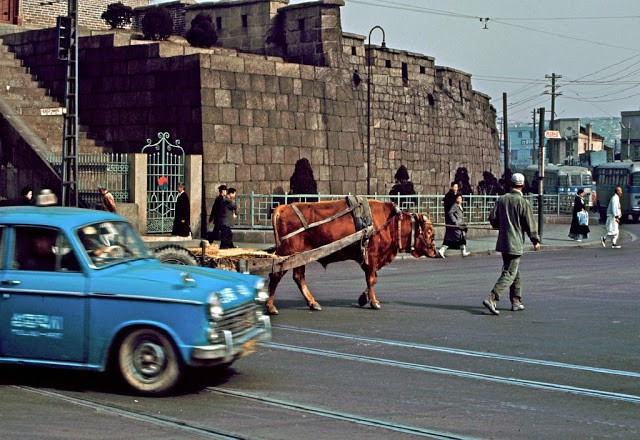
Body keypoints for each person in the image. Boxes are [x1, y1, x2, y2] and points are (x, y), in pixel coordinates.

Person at [483, 173, 541, 316]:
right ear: (522, 185)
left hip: (503, 241)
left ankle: (516, 300)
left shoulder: (502, 199)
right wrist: (535, 240)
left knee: (514, 271)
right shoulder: (522, 202)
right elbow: (529, 224)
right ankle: (492, 297)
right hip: (515, 242)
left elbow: (492, 217)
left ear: (511, 184)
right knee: (509, 272)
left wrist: (499, 225)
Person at [437, 193, 470, 258]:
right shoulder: (455, 206)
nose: (460, 200)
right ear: (456, 199)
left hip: (460, 225)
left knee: (461, 238)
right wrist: (455, 221)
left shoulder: (459, 205)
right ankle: (442, 250)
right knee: (454, 239)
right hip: (456, 226)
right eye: (458, 198)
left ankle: (463, 252)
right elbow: (450, 213)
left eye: (460, 198)